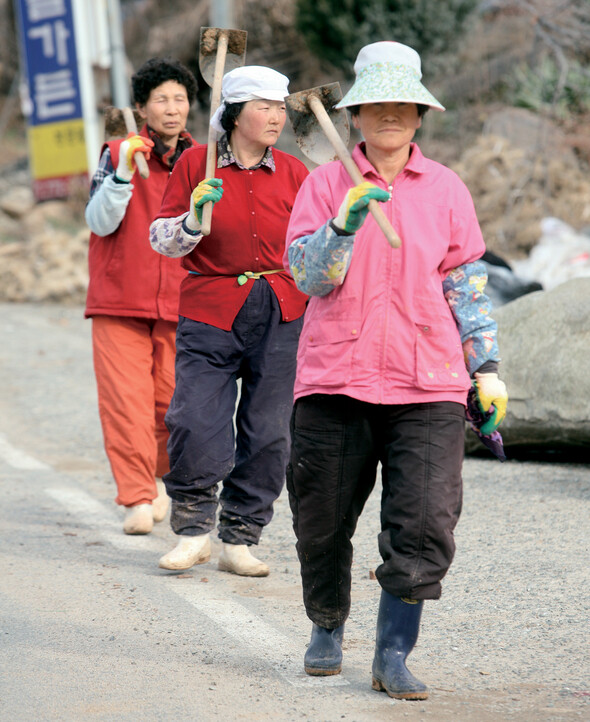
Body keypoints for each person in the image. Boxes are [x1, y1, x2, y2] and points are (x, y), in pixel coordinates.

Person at [284, 41, 508, 700]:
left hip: (429, 381)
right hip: (336, 379)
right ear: (355, 114)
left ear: (418, 112)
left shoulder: (445, 189)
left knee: (425, 522)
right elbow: (308, 278)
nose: (390, 115)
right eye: (376, 103)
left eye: (401, 104)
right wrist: (341, 228)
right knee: (320, 521)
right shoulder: (325, 184)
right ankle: (326, 623)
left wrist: (486, 365)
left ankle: (392, 652)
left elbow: (467, 285)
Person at [149, 65, 309, 576]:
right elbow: (161, 239)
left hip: (283, 308)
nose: (276, 117)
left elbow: (309, 248)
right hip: (211, 307)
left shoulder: (295, 172)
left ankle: (241, 535)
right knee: (194, 419)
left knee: (269, 431)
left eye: (281, 107)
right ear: (235, 114)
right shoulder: (196, 164)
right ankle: (194, 529)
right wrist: (194, 219)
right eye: (264, 106)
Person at [85, 57, 198, 535]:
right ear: (141, 108)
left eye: (180, 99)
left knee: (172, 406)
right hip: (119, 298)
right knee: (124, 401)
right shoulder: (117, 152)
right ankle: (135, 497)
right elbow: (98, 221)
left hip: (182, 299)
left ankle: (156, 478)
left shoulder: (203, 160)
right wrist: (123, 175)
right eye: (161, 100)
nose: (172, 109)